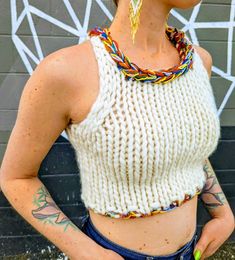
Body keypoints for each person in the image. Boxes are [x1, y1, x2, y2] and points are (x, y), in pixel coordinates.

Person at [0, 0, 234, 259]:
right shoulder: (66, 72)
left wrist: (223, 213)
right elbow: (17, 178)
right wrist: (84, 251)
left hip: (191, 251)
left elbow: (187, 151)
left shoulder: (199, 62)